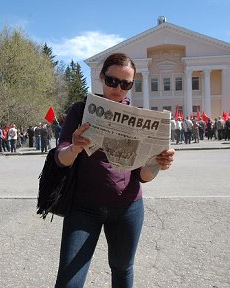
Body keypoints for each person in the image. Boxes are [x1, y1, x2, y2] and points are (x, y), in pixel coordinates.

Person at [54, 53, 175, 288]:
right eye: (112, 81)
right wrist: (75, 147)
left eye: (125, 84)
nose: (118, 88)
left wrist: (158, 163)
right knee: (69, 281)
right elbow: (60, 158)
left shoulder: (137, 117)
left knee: (122, 270)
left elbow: (142, 176)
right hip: (83, 208)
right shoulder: (80, 110)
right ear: (101, 77)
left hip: (128, 208)